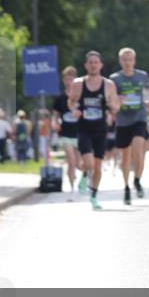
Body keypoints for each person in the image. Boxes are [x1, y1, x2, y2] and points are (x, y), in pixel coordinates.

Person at [68, 50, 121, 210]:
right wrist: (74, 110)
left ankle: (94, 196)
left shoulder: (108, 85)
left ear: (101, 65)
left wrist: (113, 107)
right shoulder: (78, 84)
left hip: (101, 129)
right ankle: (84, 175)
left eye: (96, 62)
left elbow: (116, 106)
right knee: (89, 162)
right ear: (86, 65)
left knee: (98, 166)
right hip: (84, 128)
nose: (93, 65)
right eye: (90, 62)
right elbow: (71, 102)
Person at [110, 47, 149, 205]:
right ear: (120, 61)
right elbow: (109, 98)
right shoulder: (114, 79)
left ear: (134, 61)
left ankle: (137, 180)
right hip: (123, 120)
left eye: (130, 59)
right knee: (125, 157)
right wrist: (117, 99)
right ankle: (126, 187)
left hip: (139, 117)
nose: (128, 62)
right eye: (124, 59)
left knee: (138, 149)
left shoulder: (142, 75)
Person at [53, 66, 87, 199]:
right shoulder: (60, 98)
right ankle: (72, 188)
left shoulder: (81, 96)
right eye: (66, 79)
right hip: (66, 133)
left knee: (80, 163)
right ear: (63, 80)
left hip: (80, 132)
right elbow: (55, 114)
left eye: (71, 79)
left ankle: (84, 180)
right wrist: (55, 122)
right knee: (71, 161)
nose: (69, 82)